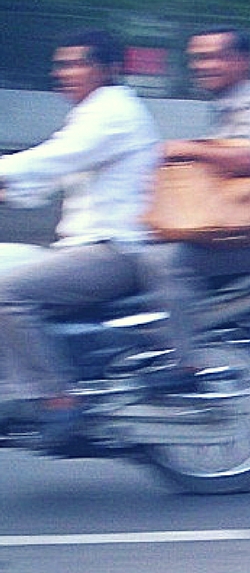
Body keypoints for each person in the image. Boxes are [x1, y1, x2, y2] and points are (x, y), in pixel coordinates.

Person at [0, 30, 162, 432]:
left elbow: (57, 157)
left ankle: (57, 398)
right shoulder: (93, 113)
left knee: (8, 294)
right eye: (61, 65)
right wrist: (11, 190)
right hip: (83, 246)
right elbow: (53, 175)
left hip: (113, 252)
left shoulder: (114, 112)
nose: (65, 73)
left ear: (109, 69)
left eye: (77, 64)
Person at [141, 26, 250, 372]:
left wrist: (184, 149)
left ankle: (183, 365)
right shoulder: (226, 109)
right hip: (229, 233)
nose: (203, 65)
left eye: (215, 56)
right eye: (197, 58)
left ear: (245, 61)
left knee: (168, 262)